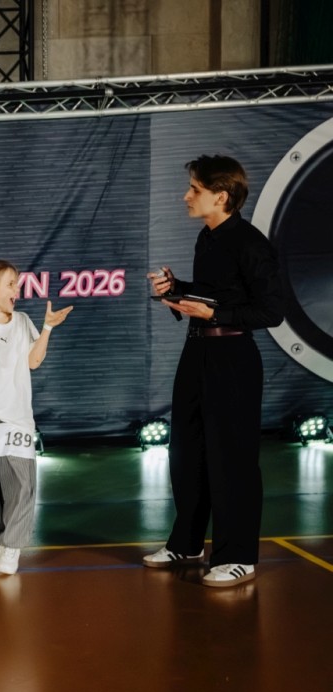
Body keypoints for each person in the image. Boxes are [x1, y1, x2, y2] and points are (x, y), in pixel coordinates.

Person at [144, 154, 284, 587]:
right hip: (197, 353)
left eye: (195, 189)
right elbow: (214, 296)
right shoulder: (207, 238)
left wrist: (213, 313)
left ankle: (238, 556)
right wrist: (177, 289)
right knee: (187, 453)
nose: (186, 196)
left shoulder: (251, 244)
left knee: (233, 460)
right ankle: (187, 543)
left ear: (221, 196)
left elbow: (271, 311)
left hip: (233, 359)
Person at [0, 260, 72, 575]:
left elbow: (33, 361)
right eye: (10, 284)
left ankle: (12, 545)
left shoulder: (21, 321)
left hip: (16, 416)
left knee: (23, 483)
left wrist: (47, 328)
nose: (17, 291)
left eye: (17, 284)